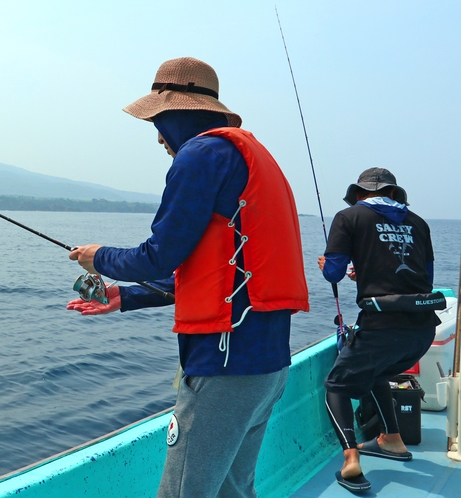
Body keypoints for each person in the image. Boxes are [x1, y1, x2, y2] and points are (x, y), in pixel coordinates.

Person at [66, 57, 309, 498]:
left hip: (224, 363)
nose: (158, 135)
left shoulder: (201, 154)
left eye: (159, 119)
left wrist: (98, 257)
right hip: (269, 365)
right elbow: (218, 273)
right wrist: (126, 297)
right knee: (235, 491)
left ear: (178, 111)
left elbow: (159, 255)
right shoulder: (251, 158)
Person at [318, 168, 439, 493]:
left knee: (337, 386)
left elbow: (332, 272)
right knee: (377, 373)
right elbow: (422, 279)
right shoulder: (419, 223)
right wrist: (368, 274)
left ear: (360, 194)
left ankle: (351, 459)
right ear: (394, 195)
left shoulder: (349, 217)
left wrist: (329, 266)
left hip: (383, 327)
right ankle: (393, 441)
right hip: (423, 329)